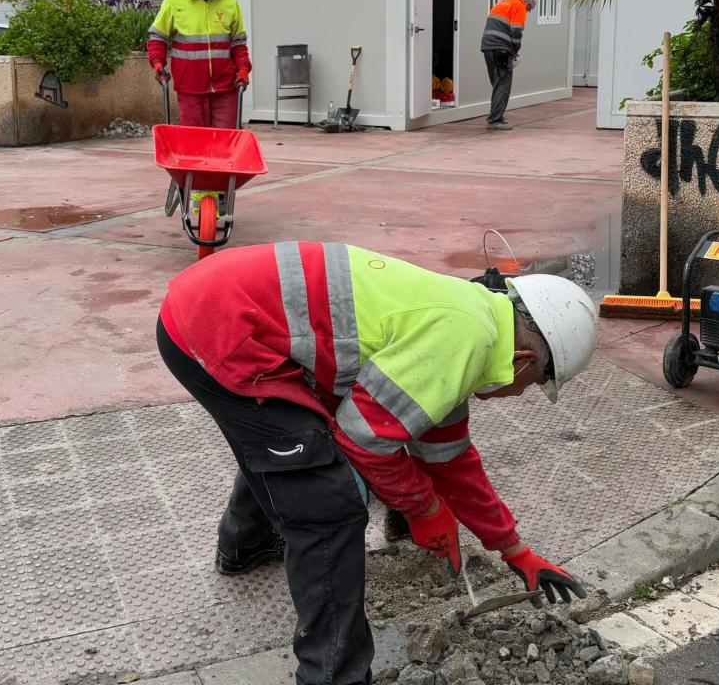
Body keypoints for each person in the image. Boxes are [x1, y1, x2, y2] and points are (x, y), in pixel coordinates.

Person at [156, 242, 597, 684]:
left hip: (217, 308)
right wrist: (424, 508)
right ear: (523, 362)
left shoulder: (474, 323)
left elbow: (451, 461)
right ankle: (334, 678)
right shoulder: (462, 341)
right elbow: (363, 439)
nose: (523, 393)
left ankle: (246, 547)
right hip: (219, 327)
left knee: (292, 442)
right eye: (535, 383)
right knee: (329, 499)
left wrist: (514, 549)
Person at [148, 0, 251, 127]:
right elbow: (157, 38)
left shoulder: (230, 2)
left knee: (224, 142)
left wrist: (243, 69)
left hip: (226, 90)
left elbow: (238, 44)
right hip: (190, 91)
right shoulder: (174, 0)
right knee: (195, 142)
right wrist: (157, 63)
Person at [481, 0, 535, 130]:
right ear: (528, 3)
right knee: (503, 84)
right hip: (501, 50)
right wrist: (515, 49)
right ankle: (495, 120)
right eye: (529, 9)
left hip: (488, 47)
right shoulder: (519, 5)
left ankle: (496, 115)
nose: (527, 12)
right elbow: (516, 31)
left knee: (497, 82)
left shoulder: (503, 3)